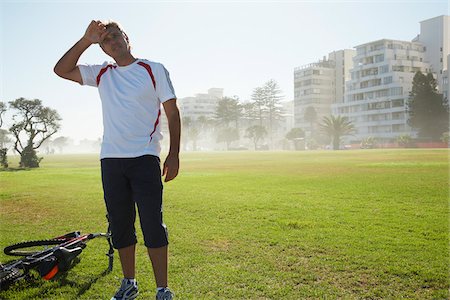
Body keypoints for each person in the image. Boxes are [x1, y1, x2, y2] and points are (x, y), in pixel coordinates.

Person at [54, 20, 180, 300]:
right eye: (106, 40)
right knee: (121, 224)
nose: (112, 41)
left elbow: (172, 113)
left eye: (115, 36)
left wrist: (173, 153)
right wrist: (86, 39)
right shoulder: (102, 73)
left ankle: (163, 289)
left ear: (126, 37)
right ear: (104, 48)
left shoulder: (153, 69)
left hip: (145, 158)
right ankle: (129, 284)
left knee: (152, 224)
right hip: (111, 160)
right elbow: (61, 70)